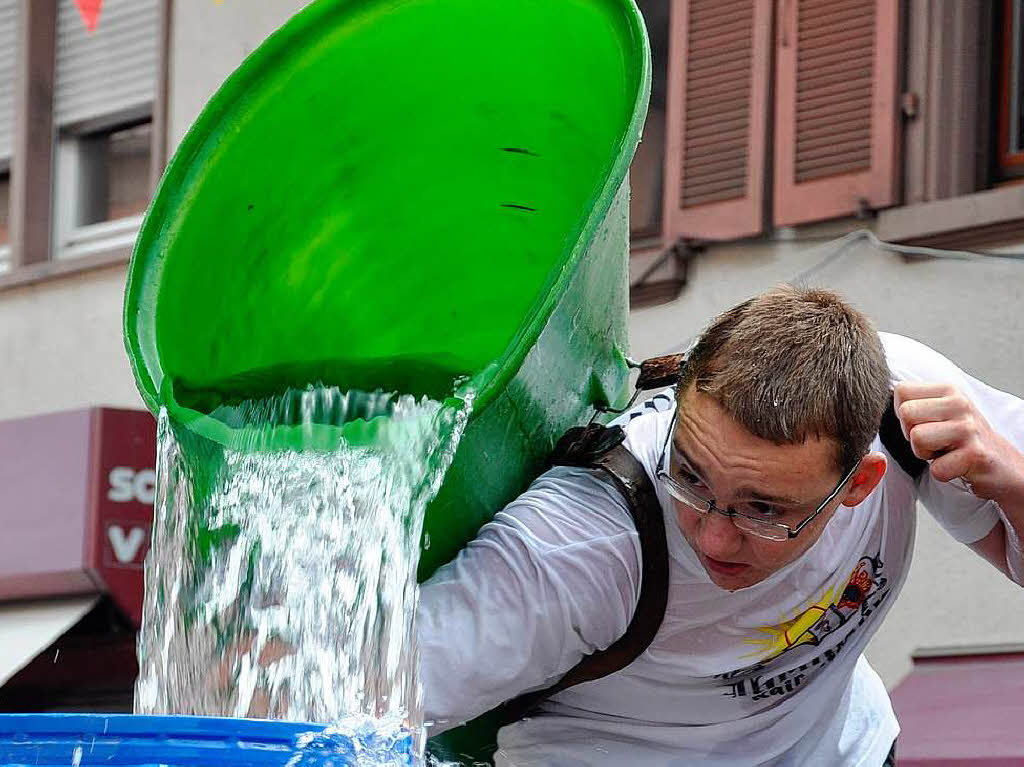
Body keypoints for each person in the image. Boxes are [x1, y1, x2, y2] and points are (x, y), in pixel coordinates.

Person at [416, 286, 1024, 766]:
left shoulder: (903, 408)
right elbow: (364, 707)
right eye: (692, 476)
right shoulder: (583, 541)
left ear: (858, 484)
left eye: (765, 510)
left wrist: (1013, 479)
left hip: (843, 751)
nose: (713, 536)